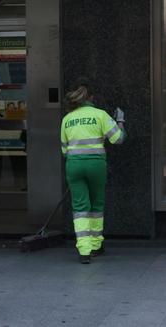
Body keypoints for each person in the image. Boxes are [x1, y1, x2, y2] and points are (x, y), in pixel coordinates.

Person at [60, 81, 126, 263]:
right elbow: (118, 139)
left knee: (80, 207)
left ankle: (84, 251)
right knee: (96, 205)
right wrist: (120, 121)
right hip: (96, 166)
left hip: (73, 166)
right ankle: (97, 245)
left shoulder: (67, 119)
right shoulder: (100, 115)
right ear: (91, 98)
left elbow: (64, 149)